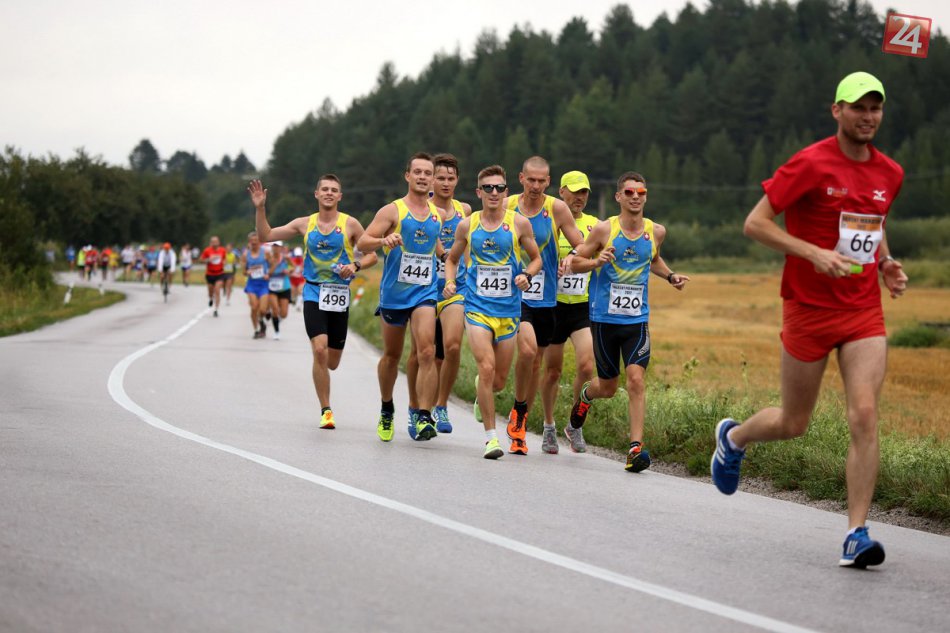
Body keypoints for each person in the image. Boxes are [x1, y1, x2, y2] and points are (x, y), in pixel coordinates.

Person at [710, 71, 907, 569]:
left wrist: (885, 262)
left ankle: (856, 533)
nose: (867, 116)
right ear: (836, 110)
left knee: (864, 414)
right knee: (794, 422)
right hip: (807, 308)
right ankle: (734, 438)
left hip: (862, 311)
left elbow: (874, 224)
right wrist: (812, 253)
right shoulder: (811, 163)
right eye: (857, 107)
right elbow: (754, 223)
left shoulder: (890, 173)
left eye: (875, 108)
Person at [569, 171, 689, 473]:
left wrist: (671, 276)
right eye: (629, 192)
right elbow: (575, 262)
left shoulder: (656, 231)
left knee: (635, 379)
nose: (636, 197)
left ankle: (635, 449)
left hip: (637, 321)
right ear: (618, 197)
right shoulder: (604, 229)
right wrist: (596, 261)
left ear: (646, 196)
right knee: (608, 387)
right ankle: (586, 395)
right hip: (604, 320)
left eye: (641, 192)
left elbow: (653, 259)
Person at [249, 175, 377, 429]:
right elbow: (266, 235)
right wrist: (261, 208)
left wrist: (355, 265)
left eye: (334, 190)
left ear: (340, 196)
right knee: (319, 349)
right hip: (313, 292)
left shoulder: (351, 224)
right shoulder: (304, 224)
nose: (329, 193)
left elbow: (372, 255)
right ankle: (326, 410)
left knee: (332, 362)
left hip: (338, 295)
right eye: (325, 189)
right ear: (316, 194)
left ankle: (324, 372)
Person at [443, 165, 541, 458]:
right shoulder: (467, 225)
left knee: (498, 381)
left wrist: (526, 275)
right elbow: (452, 259)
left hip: (508, 311)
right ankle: (491, 439)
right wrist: (450, 282)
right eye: (488, 188)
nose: (494, 192)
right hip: (477, 309)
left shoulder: (519, 224)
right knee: (486, 368)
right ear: (479, 192)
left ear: (506, 192)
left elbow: (536, 259)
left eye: (499, 188)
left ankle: (481, 392)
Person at [356, 152, 443, 443]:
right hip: (395, 294)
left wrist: (449, 258)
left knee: (427, 351)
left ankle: (423, 415)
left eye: (427, 173)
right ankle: (386, 407)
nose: (422, 177)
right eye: (417, 172)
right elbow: (362, 242)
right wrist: (384, 240)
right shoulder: (392, 211)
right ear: (408, 176)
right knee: (392, 356)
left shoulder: (437, 215)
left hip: (425, 293)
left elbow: (435, 243)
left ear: (432, 179)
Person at [503, 156, 584, 455]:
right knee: (526, 352)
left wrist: (572, 256)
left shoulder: (557, 208)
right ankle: (516, 413)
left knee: (535, 363)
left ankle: (520, 416)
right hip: (513, 295)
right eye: (531, 180)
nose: (536, 186)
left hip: (545, 297)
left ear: (548, 182)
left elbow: (580, 242)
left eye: (541, 181)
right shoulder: (507, 205)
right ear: (521, 178)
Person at [406, 152, 472, 436]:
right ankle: (414, 407)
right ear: (432, 179)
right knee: (421, 353)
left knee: (452, 347)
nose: (445, 183)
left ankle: (441, 404)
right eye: (440, 178)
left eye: (450, 178)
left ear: (457, 180)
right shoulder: (423, 208)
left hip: (455, 286)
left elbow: (468, 244)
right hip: (423, 286)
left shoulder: (464, 210)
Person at [539, 171, 600, 454]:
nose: (579, 197)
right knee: (553, 371)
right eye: (575, 191)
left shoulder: (595, 226)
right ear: (561, 192)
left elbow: (603, 258)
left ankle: (575, 425)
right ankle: (548, 425)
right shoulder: (548, 221)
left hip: (581, 306)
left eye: (584, 192)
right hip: (553, 306)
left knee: (586, 366)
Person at [242, 232, 271, 339]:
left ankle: (261, 320)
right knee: (254, 307)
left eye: (256, 240)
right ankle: (256, 329)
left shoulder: (266, 253)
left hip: (263, 284)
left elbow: (272, 265)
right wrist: (247, 272)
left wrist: (268, 274)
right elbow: (243, 271)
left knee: (262, 310)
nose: (254, 242)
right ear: (249, 242)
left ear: (260, 241)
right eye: (252, 241)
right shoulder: (245, 255)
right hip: (252, 284)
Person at [267, 241, 293, 340]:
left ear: (281, 248)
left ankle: (276, 320)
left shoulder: (286, 258)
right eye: (274, 246)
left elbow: (294, 267)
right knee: (275, 309)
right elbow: (267, 273)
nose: (275, 248)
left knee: (284, 314)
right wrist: (273, 266)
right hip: (271, 287)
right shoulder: (268, 258)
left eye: (277, 246)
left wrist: (289, 270)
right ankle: (276, 332)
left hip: (284, 287)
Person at [200, 236, 228, 317]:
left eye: (216, 241)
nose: (215, 243)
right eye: (213, 242)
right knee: (210, 291)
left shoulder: (222, 250)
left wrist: (224, 262)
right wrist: (209, 259)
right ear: (211, 243)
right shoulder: (207, 250)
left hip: (220, 273)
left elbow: (224, 259)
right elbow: (201, 260)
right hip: (210, 274)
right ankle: (211, 298)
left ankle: (216, 309)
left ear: (219, 242)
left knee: (217, 290)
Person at [289, 246, 305, 310]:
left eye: (299, 256)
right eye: (297, 256)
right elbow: (289, 270)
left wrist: (302, 269)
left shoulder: (303, 261)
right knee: (293, 293)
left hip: (301, 279)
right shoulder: (292, 260)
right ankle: (294, 300)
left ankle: (298, 305)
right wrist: (291, 271)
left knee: (299, 291)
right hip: (293, 280)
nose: (298, 257)